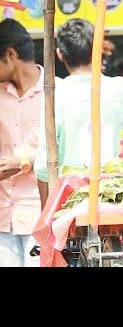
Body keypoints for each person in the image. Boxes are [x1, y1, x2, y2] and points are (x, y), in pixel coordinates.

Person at [33, 19, 123, 205]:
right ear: (98, 48)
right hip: (114, 195)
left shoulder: (55, 93)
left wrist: (47, 212)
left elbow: (43, 167)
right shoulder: (119, 87)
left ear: (60, 54)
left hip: (70, 199)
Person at [0, 19, 42, 266]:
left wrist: (25, 161)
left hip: (39, 215)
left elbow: (68, 153)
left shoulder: (55, 92)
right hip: (2, 219)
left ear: (10, 55)